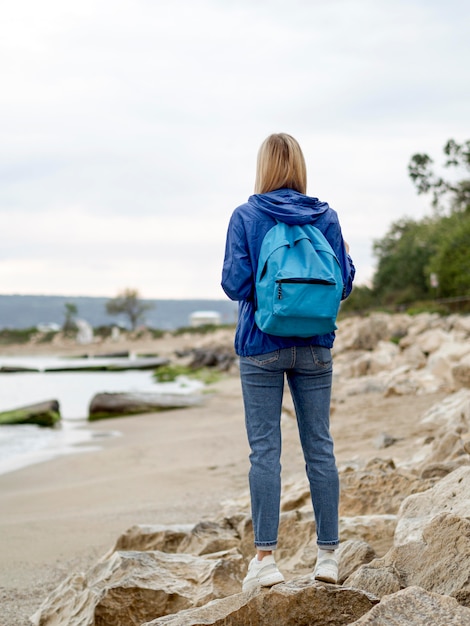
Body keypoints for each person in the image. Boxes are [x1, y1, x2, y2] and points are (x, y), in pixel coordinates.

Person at [221, 133, 355, 591]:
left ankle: (265, 559)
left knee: (266, 451)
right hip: (316, 344)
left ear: (263, 166)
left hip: (261, 345)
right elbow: (344, 283)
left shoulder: (247, 214)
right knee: (320, 445)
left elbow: (234, 283)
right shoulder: (327, 216)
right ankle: (328, 556)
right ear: (299, 165)